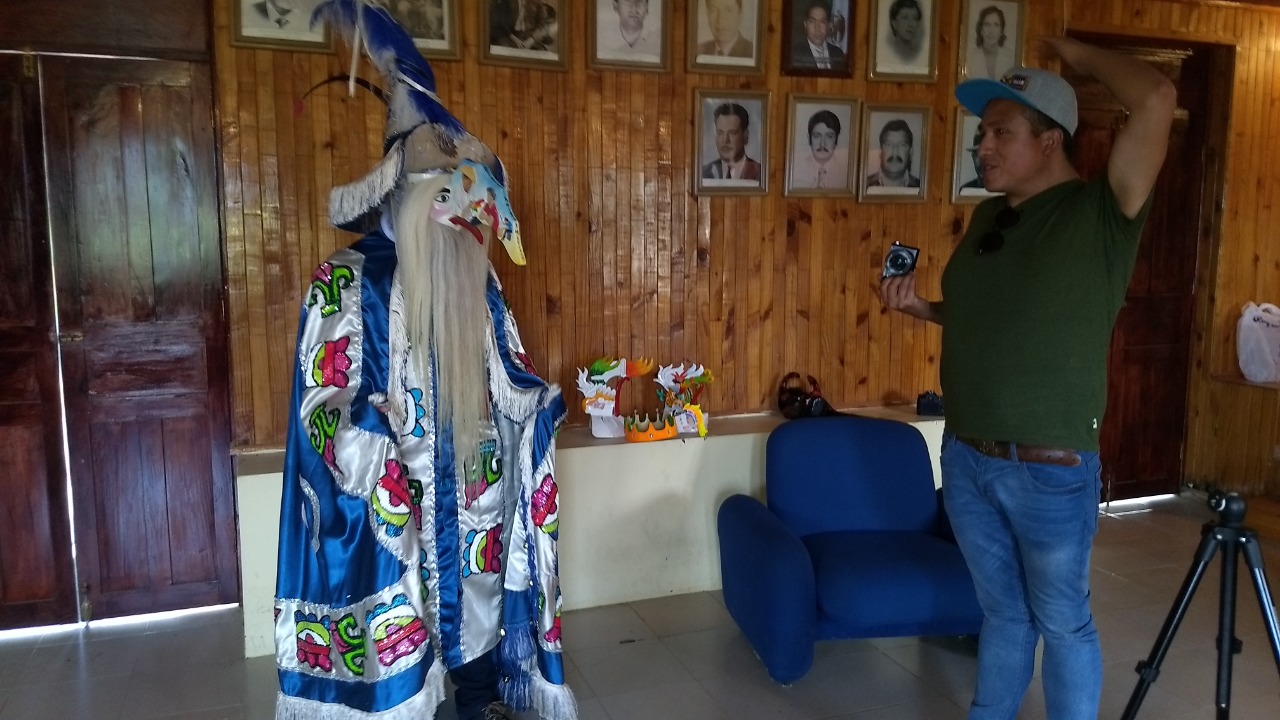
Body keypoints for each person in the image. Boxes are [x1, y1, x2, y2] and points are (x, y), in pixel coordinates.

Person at [276, 4, 577, 720]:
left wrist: (536, 403)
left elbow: (506, 371)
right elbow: (321, 403)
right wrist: (366, 443)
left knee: (474, 644)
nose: (459, 217)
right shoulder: (345, 282)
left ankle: (478, 699)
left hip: (473, 504)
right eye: (443, 195)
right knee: (403, 663)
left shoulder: (479, 277)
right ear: (405, 195)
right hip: (392, 510)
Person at [879, 37, 1176, 720]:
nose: (981, 146)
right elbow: (990, 314)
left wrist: (1076, 50)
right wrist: (923, 309)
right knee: (1003, 613)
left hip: (1048, 466)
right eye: (981, 134)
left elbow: (1158, 96)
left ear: (1049, 139)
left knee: (1062, 621)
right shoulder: (990, 215)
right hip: (968, 457)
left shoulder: (1103, 212)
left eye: (999, 132)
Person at [701, 102, 761, 181]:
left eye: (732, 132)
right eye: (720, 132)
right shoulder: (702, 173)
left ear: (745, 136)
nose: (725, 140)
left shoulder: (761, 173)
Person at [791, 110, 848, 190]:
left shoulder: (846, 173)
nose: (822, 144)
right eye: (817, 136)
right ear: (809, 138)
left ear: (836, 139)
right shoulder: (795, 170)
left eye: (829, 136)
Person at [790, 1, 846, 70]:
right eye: (812, 21)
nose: (817, 28)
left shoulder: (838, 54)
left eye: (822, 22)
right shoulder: (794, 54)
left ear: (829, 25)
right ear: (805, 24)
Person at [864, 118, 920, 188]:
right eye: (888, 144)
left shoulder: (922, 188)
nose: (895, 151)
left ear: (910, 152)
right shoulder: (863, 186)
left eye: (902, 145)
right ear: (881, 151)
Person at [966, 5, 1015, 81]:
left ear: (1001, 31)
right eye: (987, 24)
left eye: (996, 25)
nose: (991, 31)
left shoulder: (1010, 58)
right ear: (981, 29)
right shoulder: (970, 58)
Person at [490, 0, 558, 52]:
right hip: (507, 34)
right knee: (506, 50)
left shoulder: (537, 3)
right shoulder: (507, 1)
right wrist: (513, 38)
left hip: (526, 36)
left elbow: (543, 23)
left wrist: (531, 40)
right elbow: (500, 22)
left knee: (541, 50)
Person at [882, 0, 924, 65]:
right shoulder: (885, 51)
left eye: (914, 18)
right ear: (894, 23)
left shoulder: (921, 53)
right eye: (905, 18)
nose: (910, 24)